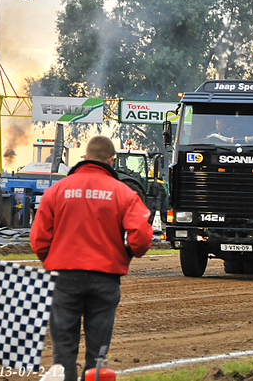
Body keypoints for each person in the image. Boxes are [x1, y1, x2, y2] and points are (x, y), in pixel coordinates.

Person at [30, 136, 153, 381]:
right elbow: (140, 237)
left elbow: (38, 239)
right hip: (105, 277)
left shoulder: (57, 190)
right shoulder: (124, 193)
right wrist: (126, 254)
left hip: (63, 277)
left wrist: (53, 259)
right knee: (98, 354)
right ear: (111, 160)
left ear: (84, 158)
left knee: (63, 352)